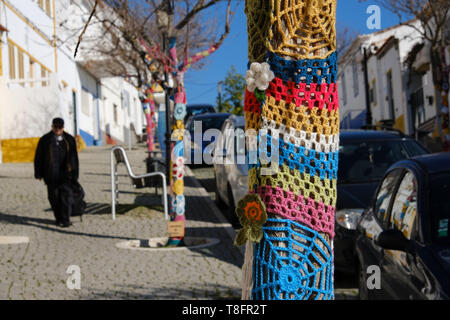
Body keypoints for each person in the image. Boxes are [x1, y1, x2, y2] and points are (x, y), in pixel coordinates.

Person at [34, 118, 79, 228]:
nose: (58, 129)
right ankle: (58, 218)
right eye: (56, 127)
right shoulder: (45, 140)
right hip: (51, 174)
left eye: (60, 127)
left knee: (66, 197)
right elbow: (38, 157)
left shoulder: (69, 140)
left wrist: (75, 174)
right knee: (53, 197)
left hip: (66, 174)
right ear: (52, 127)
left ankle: (65, 219)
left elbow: (75, 158)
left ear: (63, 127)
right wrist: (38, 173)